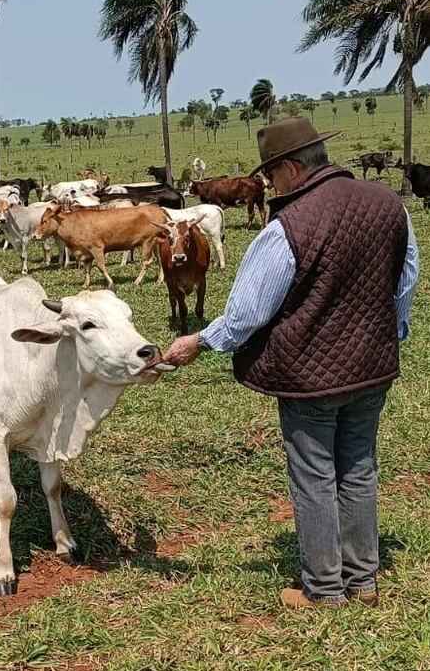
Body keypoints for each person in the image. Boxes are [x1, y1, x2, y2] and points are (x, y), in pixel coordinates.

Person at [163, 117, 420, 609]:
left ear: (290, 169)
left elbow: (246, 314)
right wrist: (394, 332)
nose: (268, 185)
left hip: (310, 378)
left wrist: (201, 341)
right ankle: (363, 582)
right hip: (373, 368)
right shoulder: (390, 206)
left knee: (314, 476)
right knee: (360, 467)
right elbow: (405, 278)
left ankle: (324, 590)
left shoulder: (288, 228)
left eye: (271, 175)